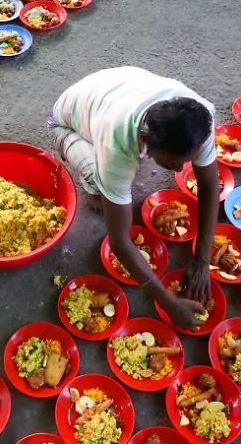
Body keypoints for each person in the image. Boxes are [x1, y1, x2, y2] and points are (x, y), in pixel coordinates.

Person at [47, 66, 219, 331]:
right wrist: (169, 304)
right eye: (173, 163)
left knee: (122, 184)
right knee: (99, 181)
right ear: (146, 146)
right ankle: (93, 184)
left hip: (116, 91)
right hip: (65, 121)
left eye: (187, 160)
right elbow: (119, 241)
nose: (179, 171)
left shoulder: (201, 117)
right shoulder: (116, 143)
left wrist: (202, 260)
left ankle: (110, 184)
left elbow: (209, 184)